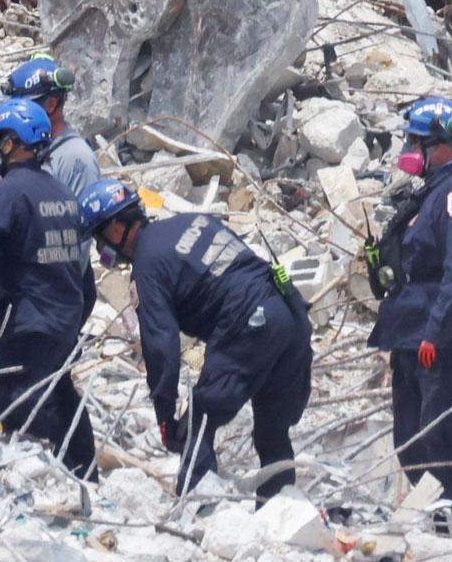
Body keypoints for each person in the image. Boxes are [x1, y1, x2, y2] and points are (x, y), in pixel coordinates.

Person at [79, 177, 312, 497]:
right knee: (272, 432)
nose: (100, 248)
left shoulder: (147, 266)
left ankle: (199, 507)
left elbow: (161, 346)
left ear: (116, 229)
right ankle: (281, 510)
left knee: (197, 423)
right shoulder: (192, 222)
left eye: (98, 237)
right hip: (288, 314)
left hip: (246, 325)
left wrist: (165, 415)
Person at [368, 96, 452, 524]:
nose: (410, 148)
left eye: (417, 141)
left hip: (450, 341)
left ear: (443, 146)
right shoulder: (429, 195)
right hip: (416, 335)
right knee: (410, 439)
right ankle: (437, 524)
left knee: (444, 436)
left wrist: (436, 333)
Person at [0, 98, 98, 477]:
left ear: (10, 143)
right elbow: (81, 261)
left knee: (12, 401)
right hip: (64, 317)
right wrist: (79, 309)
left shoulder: (10, 189)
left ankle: (33, 477)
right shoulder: (62, 194)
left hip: (28, 319)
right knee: (59, 392)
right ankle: (84, 470)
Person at [10, 57, 99, 197]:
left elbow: (84, 217)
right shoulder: (28, 148)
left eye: (25, 107)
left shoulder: (75, 158)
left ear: (51, 104)